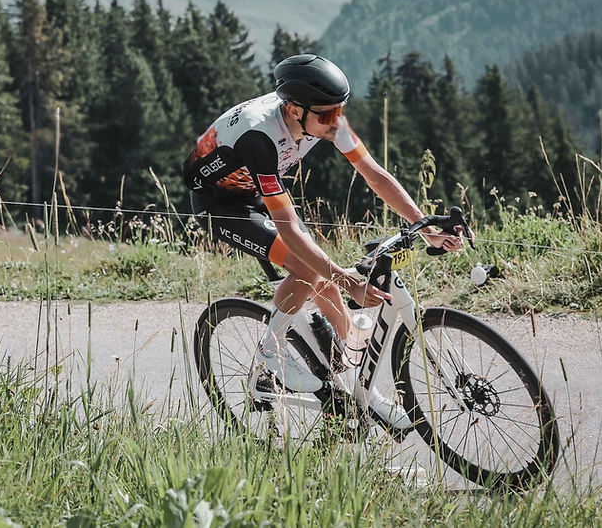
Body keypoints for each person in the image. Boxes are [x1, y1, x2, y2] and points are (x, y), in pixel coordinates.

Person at [183, 54, 461, 423]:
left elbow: (374, 175)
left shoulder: (325, 118)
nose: (335, 122)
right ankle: (271, 354)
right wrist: (348, 280)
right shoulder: (258, 137)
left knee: (325, 288)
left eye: (340, 111)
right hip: (221, 203)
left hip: (258, 186)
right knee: (310, 271)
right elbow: (291, 230)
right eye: (327, 114)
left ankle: (358, 388)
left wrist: (424, 225)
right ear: (295, 110)